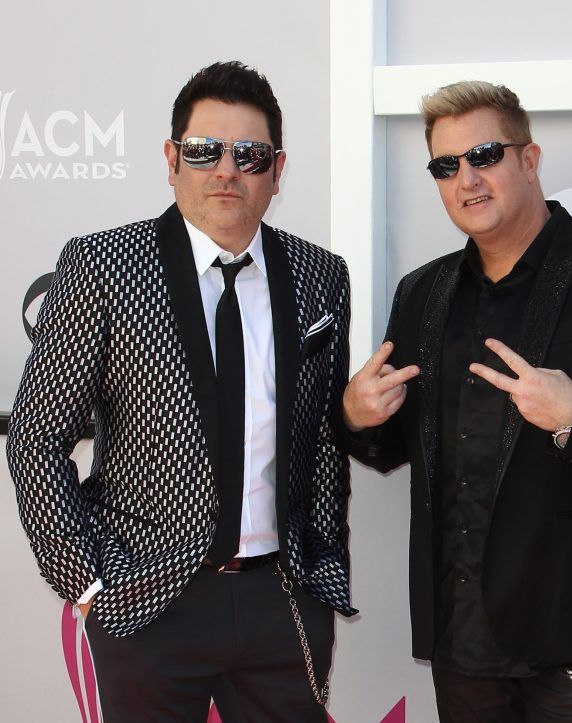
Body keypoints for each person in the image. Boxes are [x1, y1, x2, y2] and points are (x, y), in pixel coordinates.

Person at [7, 61, 354, 722]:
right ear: (172, 159)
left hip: (280, 603)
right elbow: (38, 434)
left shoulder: (318, 274)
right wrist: (85, 582)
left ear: (277, 171)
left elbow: (322, 443)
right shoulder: (104, 264)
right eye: (204, 150)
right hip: (147, 600)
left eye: (249, 155)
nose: (227, 169)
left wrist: (321, 568)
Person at [343, 80, 572, 722]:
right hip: (461, 635)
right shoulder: (423, 293)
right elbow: (393, 446)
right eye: (446, 166)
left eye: (485, 155)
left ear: (529, 159)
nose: (466, 178)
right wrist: (358, 417)